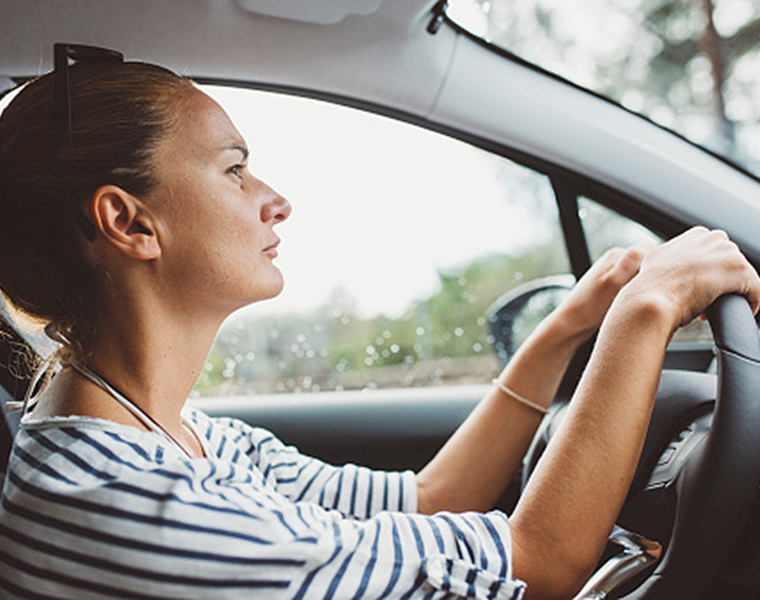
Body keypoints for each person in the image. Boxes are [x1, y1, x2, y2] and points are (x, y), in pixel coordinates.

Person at [0, 44, 758, 600]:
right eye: (234, 169)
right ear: (129, 223)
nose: (275, 198)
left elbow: (424, 503)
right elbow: (538, 563)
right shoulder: (123, 505)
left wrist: (562, 331)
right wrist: (645, 311)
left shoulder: (166, 434)